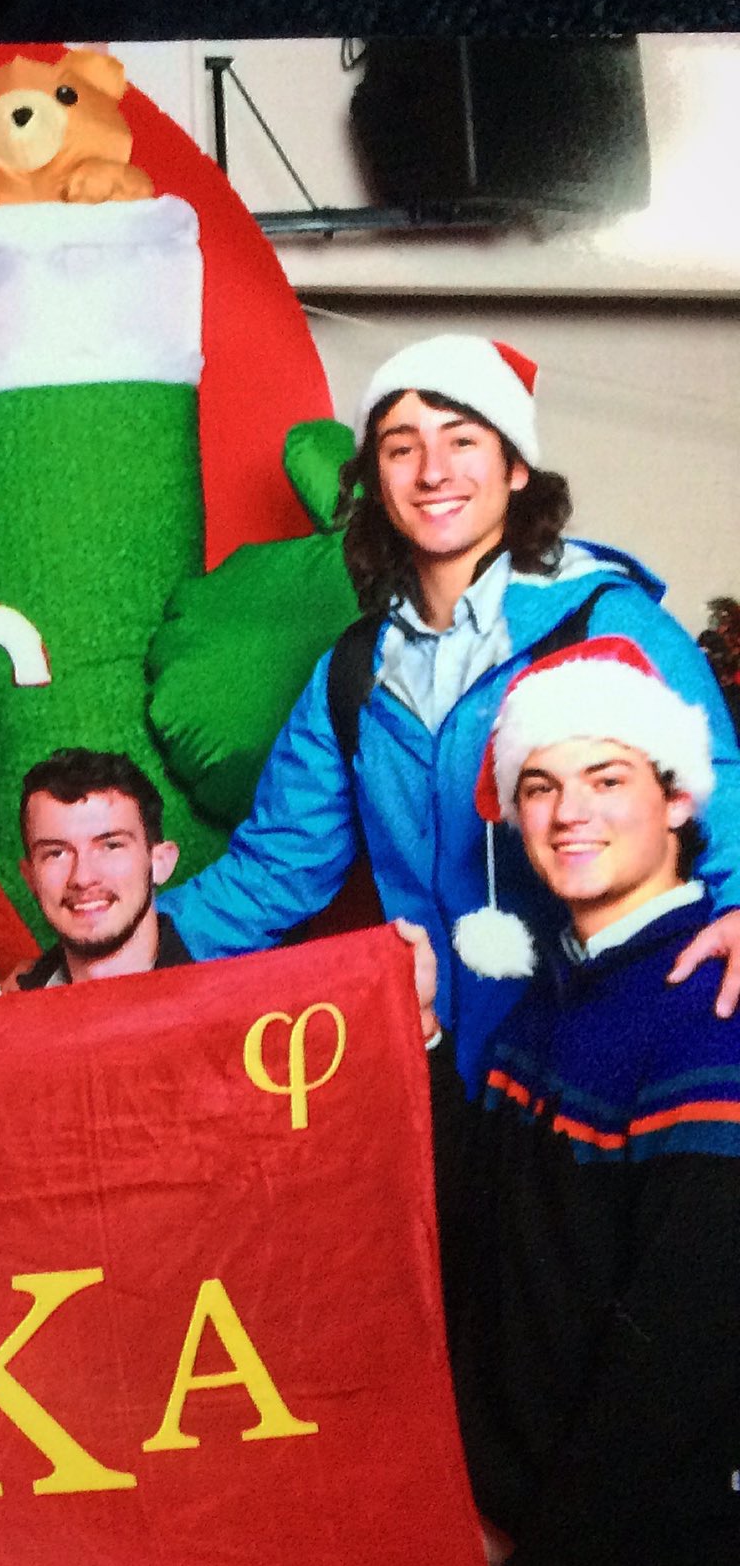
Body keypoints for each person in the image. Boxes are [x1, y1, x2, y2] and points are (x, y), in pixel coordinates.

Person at [7, 748, 425, 1566]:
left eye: (106, 846)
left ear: (159, 857)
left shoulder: (253, 995)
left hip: (249, 1343)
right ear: (26, 872)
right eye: (53, 850)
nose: (81, 876)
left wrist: (409, 1006)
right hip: (86, 1345)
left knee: (214, 1487)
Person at [160, 331, 740, 1092]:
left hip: (598, 1062)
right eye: (402, 447)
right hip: (435, 1071)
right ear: (376, 475)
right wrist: (120, 953)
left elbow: (717, 793)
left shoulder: (607, 624)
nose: (433, 471)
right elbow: (274, 871)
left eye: (463, 440)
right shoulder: (353, 672)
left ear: (516, 465)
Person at [419, 634, 740, 1566]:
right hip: (550, 1500)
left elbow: (683, 1343)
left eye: (603, 777)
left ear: (673, 797)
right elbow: (496, 1235)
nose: (566, 812)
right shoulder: (558, 989)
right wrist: (428, 1030)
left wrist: (536, 1564)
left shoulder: (703, 1003)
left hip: (650, 1528)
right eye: (540, 784)